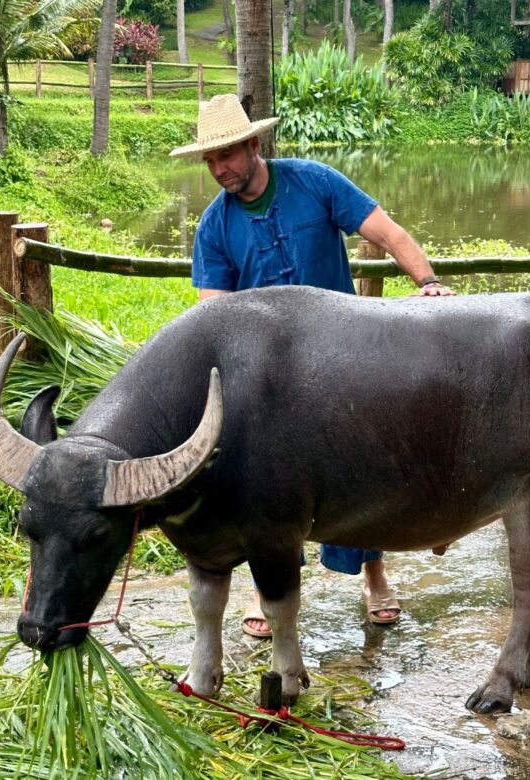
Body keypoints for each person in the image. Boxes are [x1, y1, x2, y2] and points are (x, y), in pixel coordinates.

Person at [170, 94, 456, 638]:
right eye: (209, 161)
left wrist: (428, 283)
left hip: (343, 359)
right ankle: (265, 586)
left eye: (226, 155)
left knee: (361, 468)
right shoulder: (214, 226)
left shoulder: (314, 181)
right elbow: (213, 312)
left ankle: (374, 576)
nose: (219, 169)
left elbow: (388, 233)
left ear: (254, 145)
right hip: (266, 380)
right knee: (262, 484)